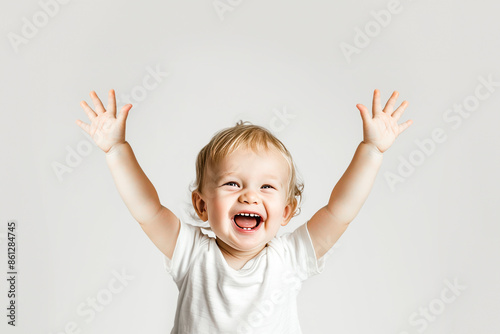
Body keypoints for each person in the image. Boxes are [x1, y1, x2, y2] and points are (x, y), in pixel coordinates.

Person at [75, 89, 412, 333]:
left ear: (287, 212)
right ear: (202, 205)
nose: (250, 196)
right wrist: (117, 150)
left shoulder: (290, 257)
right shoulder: (191, 253)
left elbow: (340, 211)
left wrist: (371, 150)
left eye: (267, 187)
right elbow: (147, 210)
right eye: (232, 184)